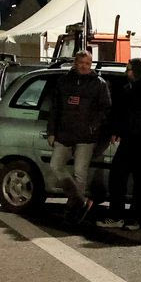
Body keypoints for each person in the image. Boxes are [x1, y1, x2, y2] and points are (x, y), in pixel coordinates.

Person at [97, 59, 141, 230]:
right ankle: (121, 216)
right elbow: (121, 114)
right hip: (130, 141)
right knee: (120, 178)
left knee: (139, 182)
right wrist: (117, 130)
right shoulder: (129, 89)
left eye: (129, 69)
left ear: (137, 71)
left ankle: (131, 217)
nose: (126, 73)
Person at [45, 50, 112, 224]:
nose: (84, 66)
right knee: (55, 166)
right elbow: (55, 109)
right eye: (81, 62)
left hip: (86, 136)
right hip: (64, 133)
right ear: (75, 63)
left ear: (91, 65)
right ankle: (79, 200)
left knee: (80, 173)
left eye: (87, 63)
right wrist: (51, 131)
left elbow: (105, 109)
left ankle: (73, 207)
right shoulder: (64, 81)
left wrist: (93, 126)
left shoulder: (99, 84)